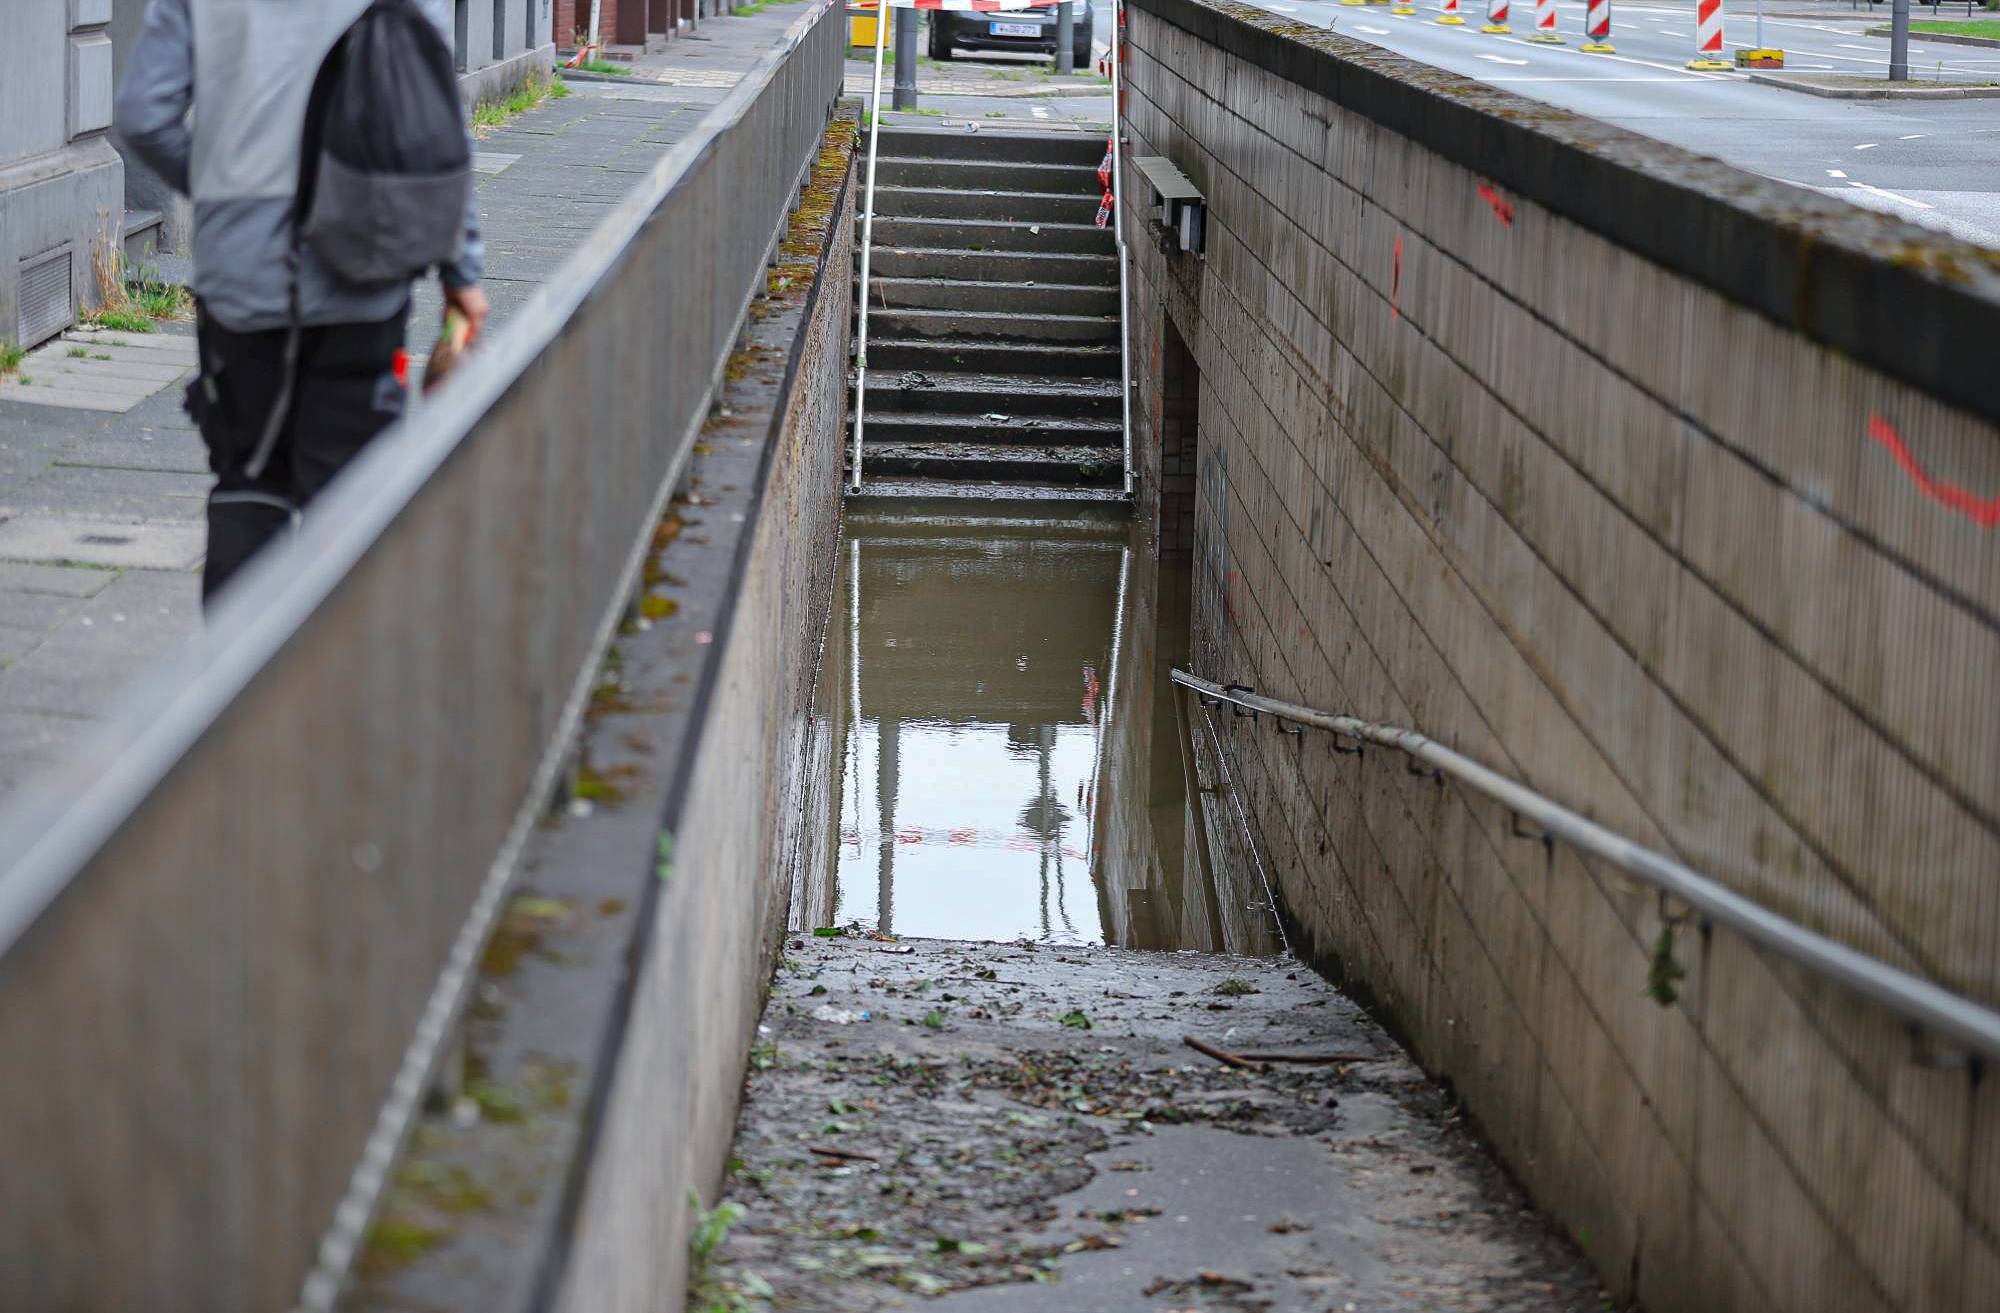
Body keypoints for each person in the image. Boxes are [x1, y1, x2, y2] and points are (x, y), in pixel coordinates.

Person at [114, 0, 489, 604]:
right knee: (352, 497)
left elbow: (142, 116)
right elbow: (438, 124)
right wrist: (461, 272)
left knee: (248, 483)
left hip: (242, 280)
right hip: (363, 271)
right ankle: (346, 650)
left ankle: (239, 660)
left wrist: (220, 194)